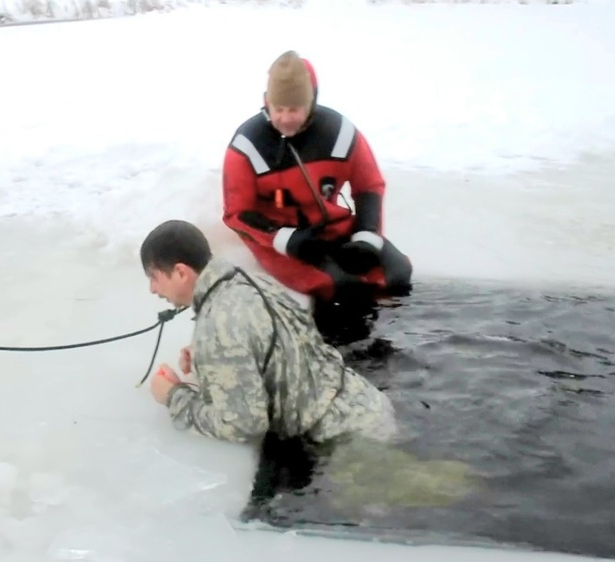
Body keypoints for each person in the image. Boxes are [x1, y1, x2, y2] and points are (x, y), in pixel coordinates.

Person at [141, 219, 396, 447]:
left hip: (349, 443)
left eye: (154, 277)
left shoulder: (219, 324)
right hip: (367, 405)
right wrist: (208, 360)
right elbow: (274, 344)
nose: (153, 289)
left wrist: (174, 396)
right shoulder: (251, 282)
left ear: (181, 272)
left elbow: (242, 427)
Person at [221, 50, 413, 328]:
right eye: (279, 109)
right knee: (341, 286)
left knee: (397, 274)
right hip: (280, 241)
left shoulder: (340, 133)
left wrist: (367, 236)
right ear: (267, 103)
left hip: (330, 228)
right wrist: (285, 239)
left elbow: (368, 185)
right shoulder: (247, 146)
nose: (286, 118)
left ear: (310, 103)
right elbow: (236, 214)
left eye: (294, 109)